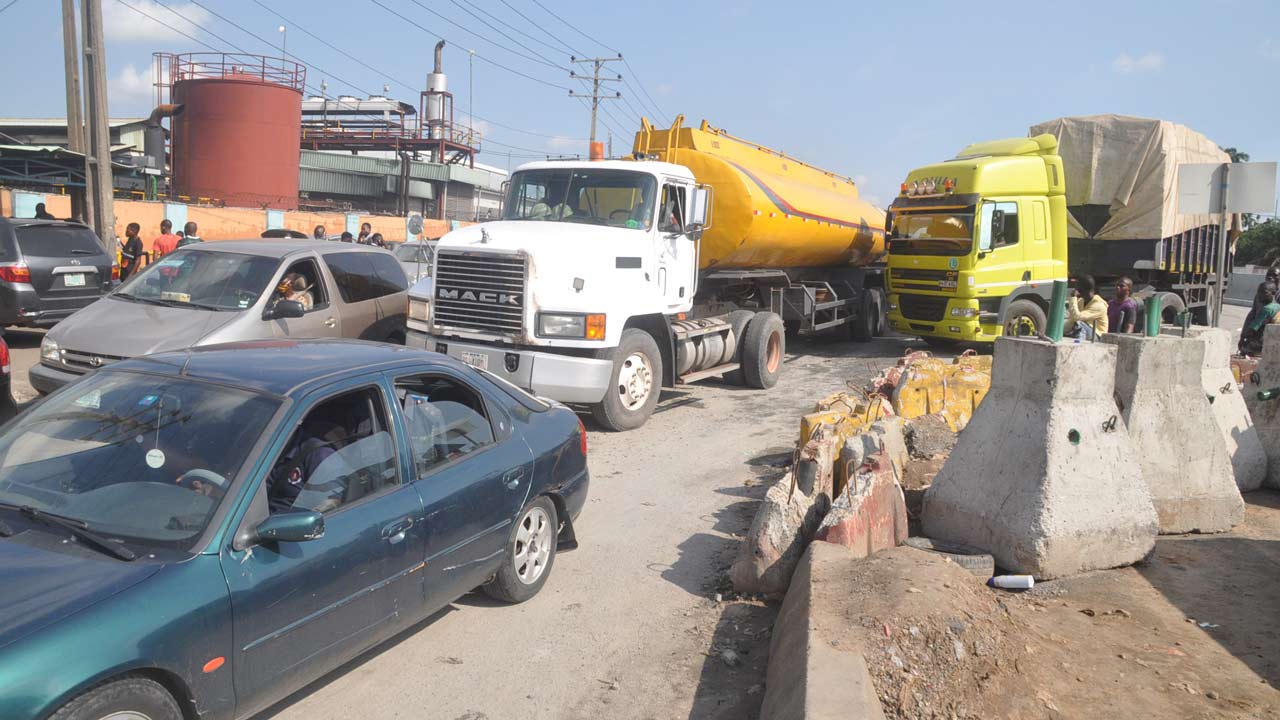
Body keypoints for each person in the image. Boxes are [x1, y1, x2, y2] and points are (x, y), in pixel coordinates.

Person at [1239, 281, 1280, 355]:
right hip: (1275, 341)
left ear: (1273, 293)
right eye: (1259, 292)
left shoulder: (1267, 309)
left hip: (1264, 343)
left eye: (1264, 293)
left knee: (1246, 349)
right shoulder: (1277, 306)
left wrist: (1243, 339)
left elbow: (1253, 328)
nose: (1260, 295)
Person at [1065, 275, 1109, 340]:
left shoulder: (1099, 305)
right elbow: (1072, 317)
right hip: (1086, 331)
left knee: (1078, 323)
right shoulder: (1081, 301)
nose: (1076, 290)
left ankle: (1078, 346)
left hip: (1097, 335)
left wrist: (1073, 297)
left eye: (1078, 289)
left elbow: (1077, 317)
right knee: (1069, 322)